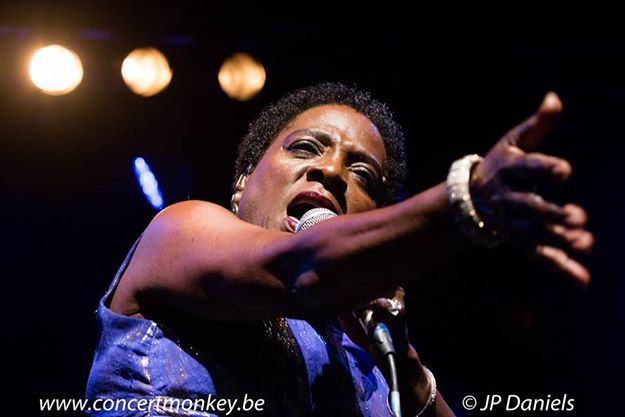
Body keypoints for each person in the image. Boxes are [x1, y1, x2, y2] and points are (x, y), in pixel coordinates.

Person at [86, 83, 593, 417]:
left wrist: (408, 372)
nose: (330, 171)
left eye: (362, 174)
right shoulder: (180, 232)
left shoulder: (371, 367)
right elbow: (304, 270)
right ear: (242, 182)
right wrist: (466, 197)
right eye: (305, 148)